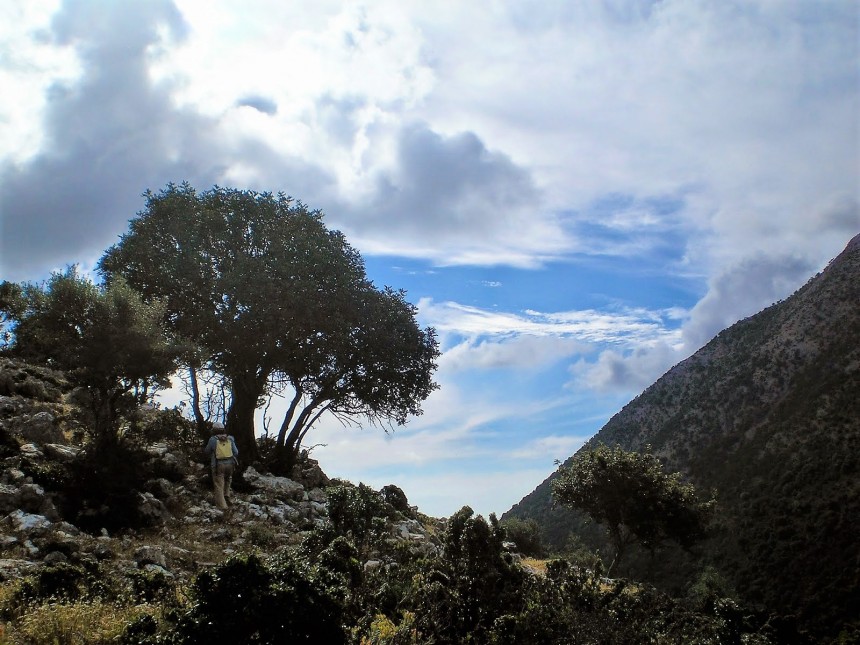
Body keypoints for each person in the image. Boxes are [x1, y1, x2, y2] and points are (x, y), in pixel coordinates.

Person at [204, 431, 239, 510]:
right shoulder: (230, 439)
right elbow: (236, 452)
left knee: (219, 485)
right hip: (230, 465)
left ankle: (222, 507)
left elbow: (207, 451)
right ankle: (227, 496)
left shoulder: (213, 439)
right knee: (228, 480)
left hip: (218, 465)